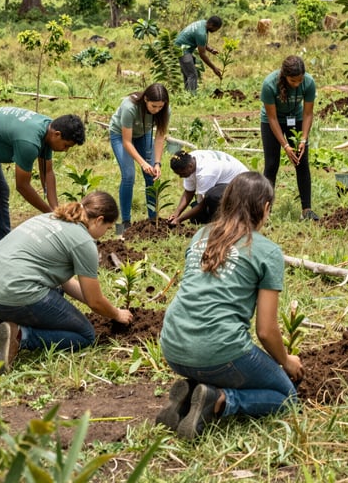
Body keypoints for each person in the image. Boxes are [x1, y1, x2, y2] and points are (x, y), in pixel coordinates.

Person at [157, 172, 304, 439]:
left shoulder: (201, 234)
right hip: (220, 352)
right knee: (288, 398)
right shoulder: (267, 251)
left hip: (173, 347)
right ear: (266, 208)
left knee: (214, 363)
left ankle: (191, 394)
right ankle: (221, 400)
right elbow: (266, 331)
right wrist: (286, 361)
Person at [0, 191, 133, 374]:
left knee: (57, 290)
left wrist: (98, 303)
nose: (104, 234)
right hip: (13, 293)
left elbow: (67, 284)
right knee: (85, 335)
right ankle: (19, 334)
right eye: (108, 228)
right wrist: (116, 314)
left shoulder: (51, 218)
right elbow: (95, 302)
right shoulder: (84, 242)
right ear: (99, 220)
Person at [0, 108, 85, 255]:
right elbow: (22, 186)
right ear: (57, 134)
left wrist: (56, 209)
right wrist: (49, 213)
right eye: (66, 145)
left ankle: (4, 248)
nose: (65, 150)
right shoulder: (29, 142)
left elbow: (47, 172)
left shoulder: (48, 131)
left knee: (2, 193)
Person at [260, 55, 319, 221]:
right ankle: (265, 210)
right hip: (272, 122)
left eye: (300, 80)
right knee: (271, 164)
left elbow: (308, 113)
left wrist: (303, 139)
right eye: (293, 81)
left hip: (296, 119)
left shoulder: (309, 83)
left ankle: (306, 210)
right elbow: (272, 118)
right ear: (285, 76)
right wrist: (285, 146)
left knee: (301, 161)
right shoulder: (269, 85)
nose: (297, 84)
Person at [109, 83, 170, 235]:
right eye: (154, 106)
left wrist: (157, 163)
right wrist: (143, 163)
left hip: (143, 134)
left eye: (160, 106)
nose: (157, 110)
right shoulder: (129, 107)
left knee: (152, 175)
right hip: (120, 135)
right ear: (146, 99)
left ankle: (153, 220)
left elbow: (160, 137)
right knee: (128, 175)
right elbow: (127, 142)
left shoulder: (165, 111)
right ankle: (125, 223)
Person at [168, 149, 249, 225]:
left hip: (243, 188)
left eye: (182, 173)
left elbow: (203, 203)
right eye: (178, 174)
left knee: (212, 196)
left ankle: (229, 218)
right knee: (196, 218)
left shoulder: (206, 172)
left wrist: (180, 219)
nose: (180, 176)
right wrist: (176, 214)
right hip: (224, 185)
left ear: (190, 166)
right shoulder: (188, 159)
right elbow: (189, 192)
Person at [175, 15, 223, 93]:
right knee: (192, 75)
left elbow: (202, 43)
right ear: (211, 25)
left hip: (183, 47)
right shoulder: (201, 33)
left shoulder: (203, 23)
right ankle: (192, 96)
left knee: (188, 73)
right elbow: (202, 55)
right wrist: (214, 68)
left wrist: (211, 50)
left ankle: (187, 94)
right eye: (216, 29)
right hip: (182, 49)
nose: (215, 31)